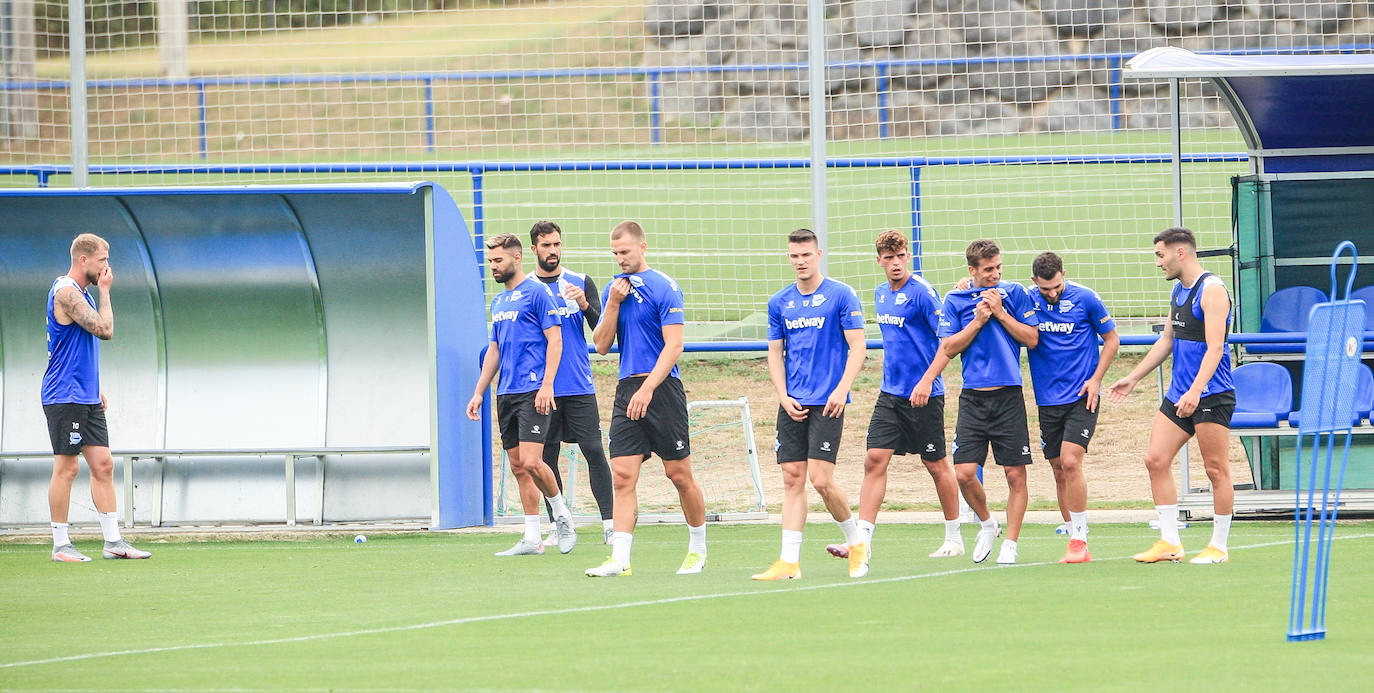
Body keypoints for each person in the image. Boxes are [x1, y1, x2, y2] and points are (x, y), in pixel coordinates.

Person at [826, 230, 963, 566]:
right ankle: (862, 542)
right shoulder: (880, 294)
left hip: (925, 395)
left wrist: (927, 381)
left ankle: (954, 536)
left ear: (908, 257)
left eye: (900, 256)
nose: (896, 263)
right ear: (880, 262)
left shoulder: (923, 294)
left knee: (935, 464)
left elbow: (947, 341)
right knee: (874, 459)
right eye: (889, 258)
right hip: (891, 395)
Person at [585, 221, 707, 577]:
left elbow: (674, 345)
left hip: (662, 389)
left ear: (642, 247)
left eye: (625, 251)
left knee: (679, 474)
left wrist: (649, 388)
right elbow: (603, 346)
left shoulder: (664, 287)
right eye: (615, 253)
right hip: (627, 389)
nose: (620, 259)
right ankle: (620, 559)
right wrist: (612, 303)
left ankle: (698, 549)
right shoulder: (614, 289)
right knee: (622, 475)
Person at [1109, 227, 1235, 565]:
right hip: (1179, 395)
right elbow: (1167, 341)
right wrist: (1133, 378)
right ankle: (1170, 542)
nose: (1158, 263)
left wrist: (1196, 390)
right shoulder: (1179, 291)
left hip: (1211, 395)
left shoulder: (1212, 290)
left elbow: (1216, 347)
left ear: (1181, 253)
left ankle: (1218, 547)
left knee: (1215, 469)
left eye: (1160, 255)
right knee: (1155, 459)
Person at [753, 228, 869, 581]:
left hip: (828, 401)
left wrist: (842, 388)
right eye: (794, 256)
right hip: (793, 401)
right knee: (792, 478)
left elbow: (858, 347)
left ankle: (857, 543)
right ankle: (789, 562)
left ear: (818, 255)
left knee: (820, 480)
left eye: (806, 255)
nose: (800, 262)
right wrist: (782, 395)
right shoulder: (780, 302)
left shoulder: (841, 295)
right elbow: (775, 352)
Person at [466, 233, 578, 557]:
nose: (493, 267)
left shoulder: (537, 293)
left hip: (533, 390)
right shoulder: (499, 302)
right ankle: (532, 537)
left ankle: (562, 516)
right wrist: (478, 392)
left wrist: (547, 385)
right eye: (490, 262)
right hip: (507, 393)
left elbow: (555, 341)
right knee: (518, 467)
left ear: (517, 258)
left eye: (498, 260)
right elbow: (494, 351)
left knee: (533, 460)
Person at [44, 233, 151, 562]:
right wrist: (105, 293)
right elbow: (104, 330)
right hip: (65, 394)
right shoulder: (66, 292)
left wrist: (96, 386)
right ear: (84, 260)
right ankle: (61, 545)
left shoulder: (82, 294)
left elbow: (79, 348)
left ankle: (113, 542)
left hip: (85, 394)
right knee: (67, 468)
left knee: (103, 465)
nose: (107, 266)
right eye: (103, 260)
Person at [934, 239, 1039, 565]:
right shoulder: (956, 298)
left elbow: (1032, 338)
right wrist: (978, 320)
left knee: (1014, 476)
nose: (995, 275)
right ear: (972, 271)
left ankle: (1011, 543)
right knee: (964, 472)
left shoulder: (1014, 293)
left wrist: (1001, 314)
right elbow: (949, 347)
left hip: (1009, 395)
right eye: (988, 269)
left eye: (998, 268)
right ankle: (988, 524)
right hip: (973, 398)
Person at [1025, 252, 1120, 564]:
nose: (1052, 294)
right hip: (1047, 400)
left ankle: (1079, 539)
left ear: (1064, 275)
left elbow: (1111, 339)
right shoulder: (1026, 299)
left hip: (1082, 395)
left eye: (1057, 287)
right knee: (1056, 467)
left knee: (1070, 461)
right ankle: (1073, 531)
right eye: (1045, 289)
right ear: (1034, 282)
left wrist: (1096, 379)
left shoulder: (1087, 298)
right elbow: (990, 292)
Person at [525, 220, 616, 546]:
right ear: (534, 248)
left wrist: (585, 304)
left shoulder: (580, 282)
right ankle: (558, 525)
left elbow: (603, 330)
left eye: (557, 245)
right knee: (546, 458)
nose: (553, 251)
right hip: (541, 388)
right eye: (546, 245)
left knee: (593, 450)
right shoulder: (526, 288)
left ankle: (609, 524)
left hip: (578, 385)